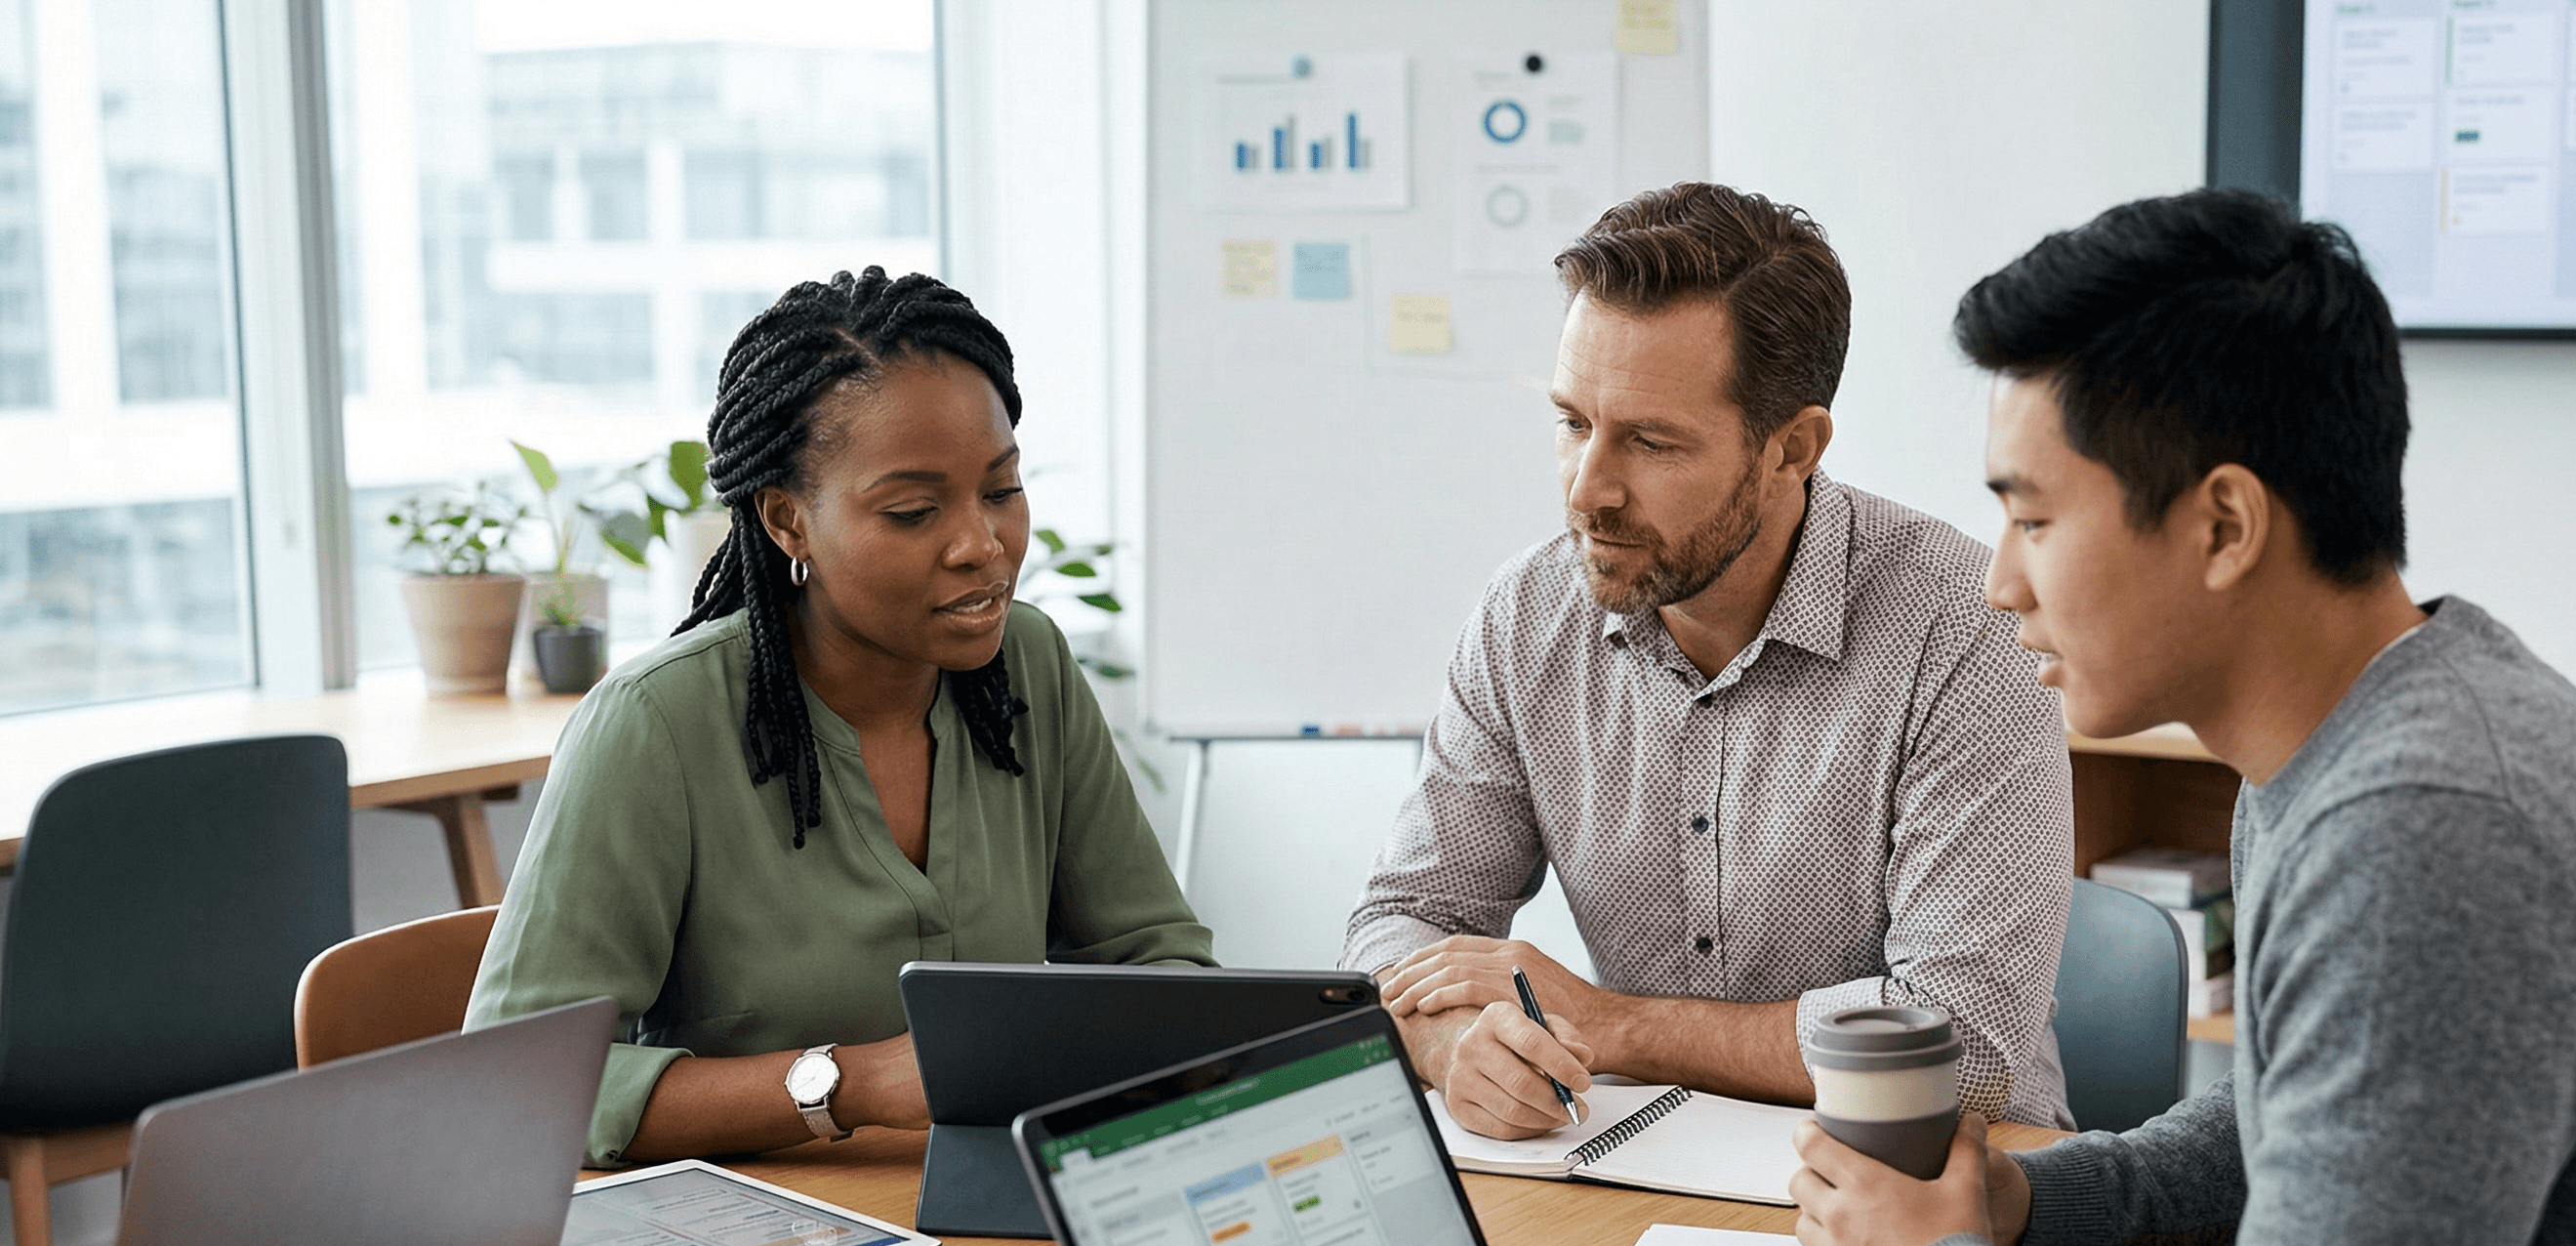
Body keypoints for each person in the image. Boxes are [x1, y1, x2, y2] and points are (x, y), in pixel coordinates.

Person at [1788, 189, 2576, 1246]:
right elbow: (2288, 1123)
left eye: (2036, 519)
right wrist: (2024, 1206)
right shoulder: (2375, 721)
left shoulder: (2429, 829)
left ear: (2226, 525)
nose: (2000, 583)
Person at [1345, 183, 2075, 1141]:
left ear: (1791, 449)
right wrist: (1449, 1044)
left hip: (1940, 1179)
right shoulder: (1526, 614)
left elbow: (1960, 1048)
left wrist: (1612, 1025)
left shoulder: (1962, 625)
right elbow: (1406, 916)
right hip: (1638, 1160)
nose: (1587, 490)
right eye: (1572, 423)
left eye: (1649, 442)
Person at [467, 269, 1211, 1169]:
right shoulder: (653, 725)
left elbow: (1159, 963)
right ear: (788, 522)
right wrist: (855, 1085)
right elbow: (516, 1085)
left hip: (990, 1225)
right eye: (912, 510)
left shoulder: (1031, 665)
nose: (982, 544)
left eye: (1002, 491)